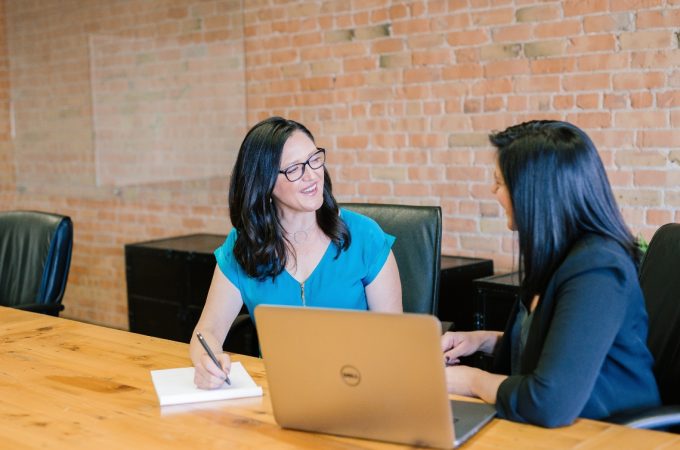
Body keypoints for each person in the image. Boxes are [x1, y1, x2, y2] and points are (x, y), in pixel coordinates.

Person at [441, 120, 661, 427]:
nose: (493, 191)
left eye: (499, 182)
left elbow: (548, 401)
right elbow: (554, 343)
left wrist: (472, 381)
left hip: (610, 432)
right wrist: (481, 340)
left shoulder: (598, 269)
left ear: (534, 192)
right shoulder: (557, 255)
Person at [190, 116, 402, 389]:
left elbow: (395, 341)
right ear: (264, 183)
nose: (312, 175)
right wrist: (206, 363)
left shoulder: (365, 237)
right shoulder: (243, 247)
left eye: (315, 159)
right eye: (294, 169)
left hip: (357, 389)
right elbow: (206, 332)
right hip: (277, 394)